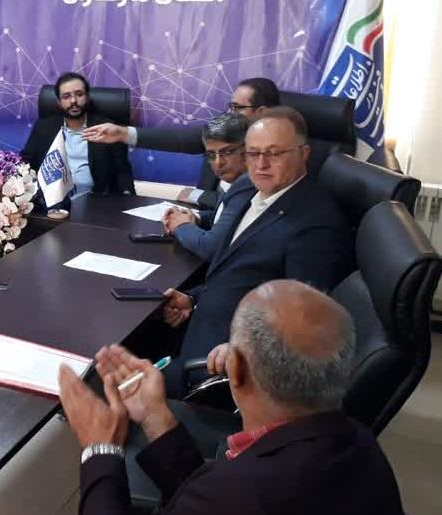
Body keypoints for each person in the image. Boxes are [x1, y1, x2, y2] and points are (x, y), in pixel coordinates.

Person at [0, 281, 411, 515]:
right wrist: (155, 416)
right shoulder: (359, 443)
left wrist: (101, 448)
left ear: (235, 370)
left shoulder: (242, 500)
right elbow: (212, 496)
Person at [159, 107, 353, 394]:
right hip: (201, 330)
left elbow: (300, 319)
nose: (261, 164)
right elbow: (245, 274)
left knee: (117, 392)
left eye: (274, 153)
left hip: (228, 368)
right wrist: (193, 299)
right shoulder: (255, 193)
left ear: (304, 154)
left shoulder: (315, 225)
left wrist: (241, 349)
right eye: (253, 153)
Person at [84, 76, 279, 209]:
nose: (230, 113)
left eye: (237, 108)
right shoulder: (225, 129)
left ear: (261, 113)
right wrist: (124, 133)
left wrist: (196, 195)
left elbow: (244, 203)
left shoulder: (273, 156)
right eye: (230, 106)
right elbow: (182, 139)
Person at [20, 72, 134, 207]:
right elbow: (26, 163)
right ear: (58, 102)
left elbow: (123, 173)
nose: (73, 101)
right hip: (52, 204)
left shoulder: (107, 130)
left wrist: (128, 200)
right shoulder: (44, 127)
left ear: (87, 97)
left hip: (95, 204)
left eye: (79, 94)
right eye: (66, 96)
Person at [162, 111, 252, 261]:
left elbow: (210, 248)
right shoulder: (236, 180)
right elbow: (224, 219)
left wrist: (181, 226)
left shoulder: (248, 183)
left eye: (227, 152)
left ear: (248, 149)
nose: (218, 162)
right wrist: (194, 217)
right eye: (211, 155)